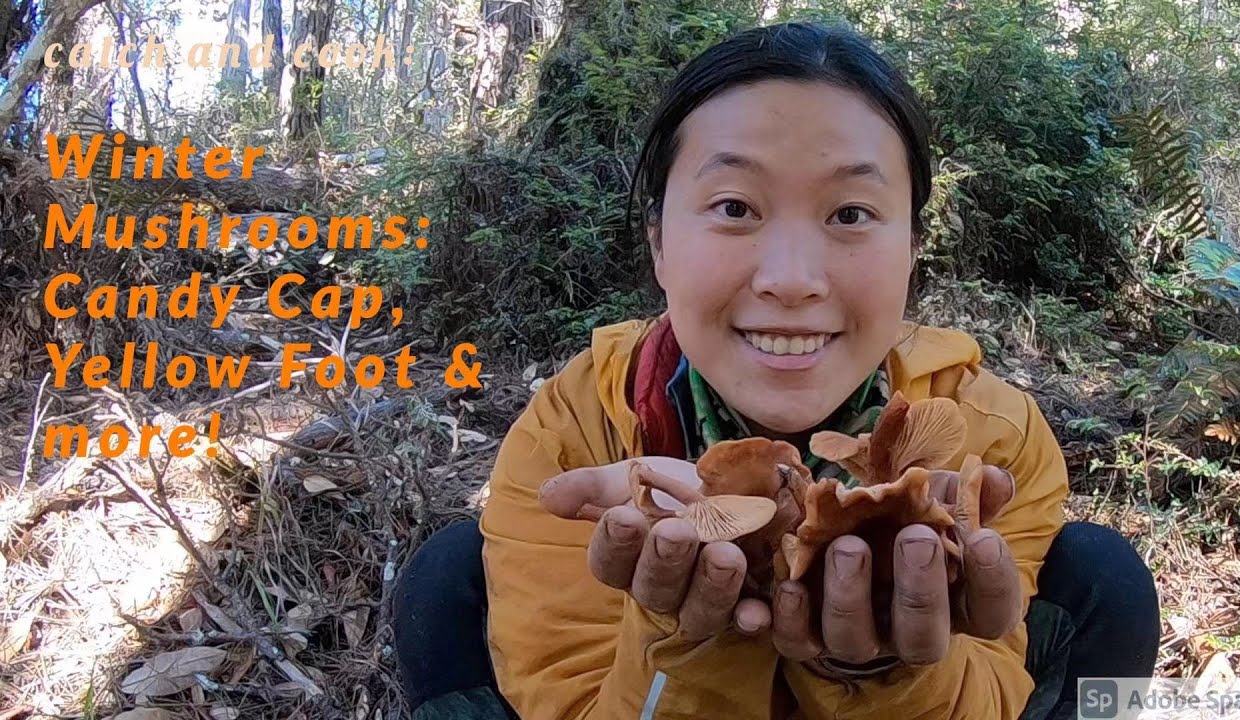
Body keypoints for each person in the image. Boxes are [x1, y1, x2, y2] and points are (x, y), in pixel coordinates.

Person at [392, 21, 1160, 720]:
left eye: (850, 214)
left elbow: (994, 691)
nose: (792, 279)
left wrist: (885, 668)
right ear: (660, 242)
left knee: (1105, 581)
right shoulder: (574, 433)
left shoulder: (994, 436)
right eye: (734, 206)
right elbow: (570, 698)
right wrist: (685, 635)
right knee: (447, 584)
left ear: (913, 249)